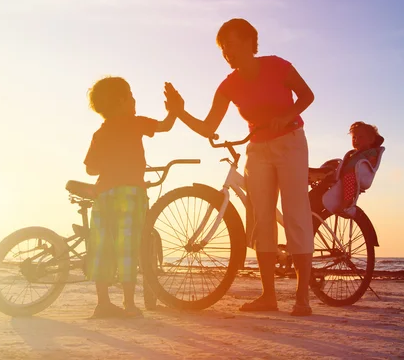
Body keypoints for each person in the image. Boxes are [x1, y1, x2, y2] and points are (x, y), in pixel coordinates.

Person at [164, 18, 315, 316]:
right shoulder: (228, 85)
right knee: (261, 219)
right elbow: (209, 127)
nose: (228, 53)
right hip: (257, 148)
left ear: (250, 42)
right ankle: (268, 296)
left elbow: (307, 96)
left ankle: (302, 298)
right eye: (223, 48)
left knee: (296, 214)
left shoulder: (278, 66)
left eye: (232, 44)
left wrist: (287, 116)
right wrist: (179, 112)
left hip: (291, 143)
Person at [83, 76, 177, 318]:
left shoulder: (100, 133)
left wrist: (110, 161)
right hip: (131, 194)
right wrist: (175, 110)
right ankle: (129, 304)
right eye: (132, 95)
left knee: (102, 246)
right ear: (123, 101)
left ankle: (102, 303)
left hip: (103, 194)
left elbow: (90, 169)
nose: (135, 100)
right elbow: (166, 126)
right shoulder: (135, 122)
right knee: (128, 247)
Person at [340, 122, 383, 207]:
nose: (356, 140)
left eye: (360, 137)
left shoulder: (370, 152)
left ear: (371, 140)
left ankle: (347, 202)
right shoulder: (353, 154)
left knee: (349, 178)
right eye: (354, 137)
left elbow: (372, 163)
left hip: (358, 176)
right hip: (344, 174)